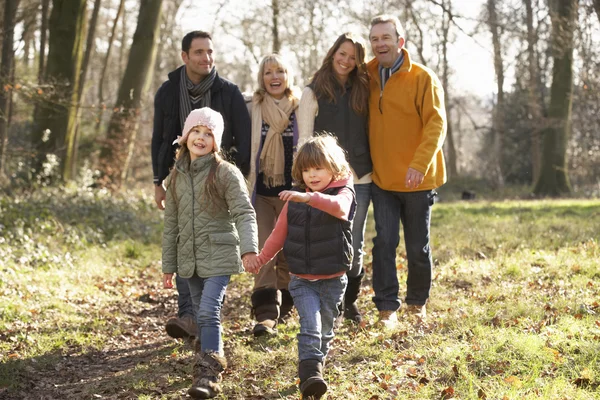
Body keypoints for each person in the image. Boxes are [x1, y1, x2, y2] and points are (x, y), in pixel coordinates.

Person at [151, 30, 251, 340]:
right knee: (186, 235)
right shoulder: (168, 92)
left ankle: (203, 320)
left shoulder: (229, 92)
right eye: (199, 52)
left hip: (218, 174)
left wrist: (235, 174)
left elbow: (244, 139)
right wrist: (159, 180)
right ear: (185, 57)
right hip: (180, 173)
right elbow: (159, 138)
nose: (206, 58)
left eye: (210, 51)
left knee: (209, 240)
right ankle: (190, 317)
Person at [245, 135, 356, 399]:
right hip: (302, 279)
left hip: (333, 278)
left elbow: (340, 209)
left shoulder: (343, 192)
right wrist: (261, 259)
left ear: (333, 167)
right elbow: (277, 235)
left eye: (318, 168)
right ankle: (309, 375)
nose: (312, 175)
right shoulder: (294, 200)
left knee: (326, 329)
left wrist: (310, 199)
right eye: (306, 170)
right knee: (310, 326)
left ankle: (317, 364)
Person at [162, 107, 258, 399]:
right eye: (196, 131)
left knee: (207, 311)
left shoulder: (225, 173)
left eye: (208, 134)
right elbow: (171, 224)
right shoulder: (176, 176)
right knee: (198, 310)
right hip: (189, 258)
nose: (201, 138)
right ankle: (204, 356)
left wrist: (249, 248)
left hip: (219, 254)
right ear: (186, 136)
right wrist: (169, 265)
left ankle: (209, 373)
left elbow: (244, 212)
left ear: (216, 142)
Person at [367, 15, 447, 328]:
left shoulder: (423, 77)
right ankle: (387, 308)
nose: (380, 44)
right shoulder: (367, 75)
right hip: (383, 179)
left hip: (418, 178)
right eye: (375, 39)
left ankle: (417, 303)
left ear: (400, 42)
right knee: (384, 242)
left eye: (386, 37)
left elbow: (436, 124)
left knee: (417, 246)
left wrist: (419, 163)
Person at [297, 33, 371, 324]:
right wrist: (305, 178)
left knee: (355, 241)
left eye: (352, 57)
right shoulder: (313, 91)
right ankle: (329, 303)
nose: (346, 60)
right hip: (327, 180)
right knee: (329, 240)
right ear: (333, 53)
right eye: (342, 54)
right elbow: (304, 139)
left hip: (362, 177)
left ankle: (349, 302)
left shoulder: (364, 89)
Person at [246, 54, 305, 336]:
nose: (274, 77)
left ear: (288, 75)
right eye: (268, 72)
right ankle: (265, 314)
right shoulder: (252, 106)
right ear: (262, 77)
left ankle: (285, 305)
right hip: (261, 192)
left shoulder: (301, 107)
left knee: (289, 252)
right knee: (265, 251)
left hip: (293, 191)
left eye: (280, 71)